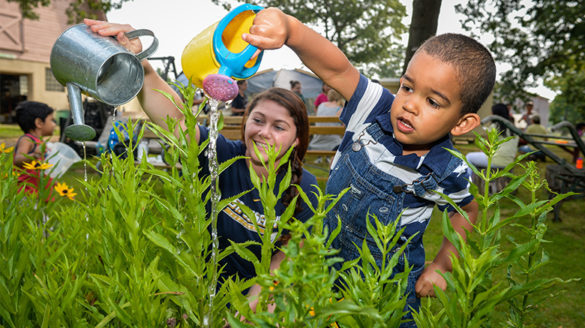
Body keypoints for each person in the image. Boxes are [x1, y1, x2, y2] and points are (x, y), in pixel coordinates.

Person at [241, 8, 494, 326]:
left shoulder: (445, 168)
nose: (410, 104)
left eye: (433, 102)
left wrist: (444, 263)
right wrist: (292, 30)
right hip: (327, 276)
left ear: (462, 123)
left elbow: (466, 211)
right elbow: (336, 69)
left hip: (388, 296)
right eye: (407, 86)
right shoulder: (373, 109)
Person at [83, 18, 319, 309]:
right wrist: (142, 64)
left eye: (279, 127)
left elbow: (286, 259)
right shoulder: (221, 155)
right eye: (257, 120)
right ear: (246, 122)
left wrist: (246, 314)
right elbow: (177, 120)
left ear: (297, 139)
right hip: (200, 292)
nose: (263, 132)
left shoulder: (305, 185)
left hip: (260, 299)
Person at [13, 101, 58, 194]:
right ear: (39, 123)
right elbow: (17, 160)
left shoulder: (41, 142)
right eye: (52, 120)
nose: (54, 124)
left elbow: (43, 168)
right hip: (28, 194)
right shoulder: (27, 140)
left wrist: (54, 183)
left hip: (41, 193)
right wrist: (34, 155)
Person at [466, 103, 520, 170]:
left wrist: (482, 151)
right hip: (509, 162)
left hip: (495, 161)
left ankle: (467, 180)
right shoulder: (514, 128)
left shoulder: (495, 126)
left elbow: (488, 146)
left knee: (469, 157)